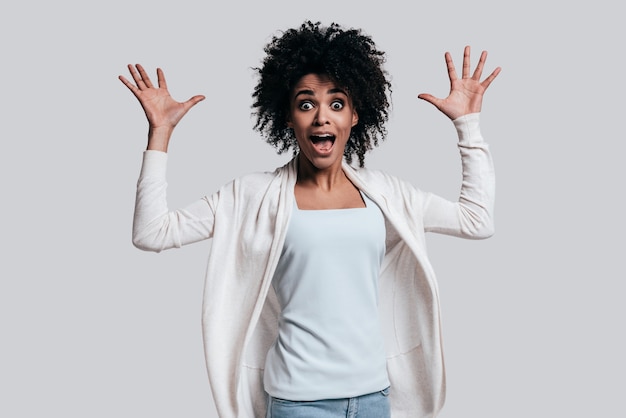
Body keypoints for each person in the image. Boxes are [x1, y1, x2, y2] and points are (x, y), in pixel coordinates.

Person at [119, 21, 500, 418]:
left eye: (337, 104)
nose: (321, 117)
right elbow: (152, 233)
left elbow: (477, 220)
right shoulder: (252, 195)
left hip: (374, 397)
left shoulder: (387, 194)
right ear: (288, 117)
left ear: (355, 116)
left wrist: (467, 126)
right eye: (306, 104)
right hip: (298, 402)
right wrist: (159, 134)